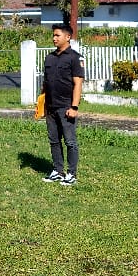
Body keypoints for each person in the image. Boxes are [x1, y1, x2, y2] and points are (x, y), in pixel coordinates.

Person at [43, 23, 85, 186]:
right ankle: (58, 170)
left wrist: (74, 107)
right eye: (53, 35)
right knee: (54, 140)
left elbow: (78, 83)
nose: (54, 38)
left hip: (66, 106)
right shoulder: (49, 57)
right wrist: (42, 104)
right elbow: (45, 83)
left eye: (57, 35)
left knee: (70, 141)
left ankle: (71, 173)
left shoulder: (75, 58)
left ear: (68, 37)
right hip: (51, 106)